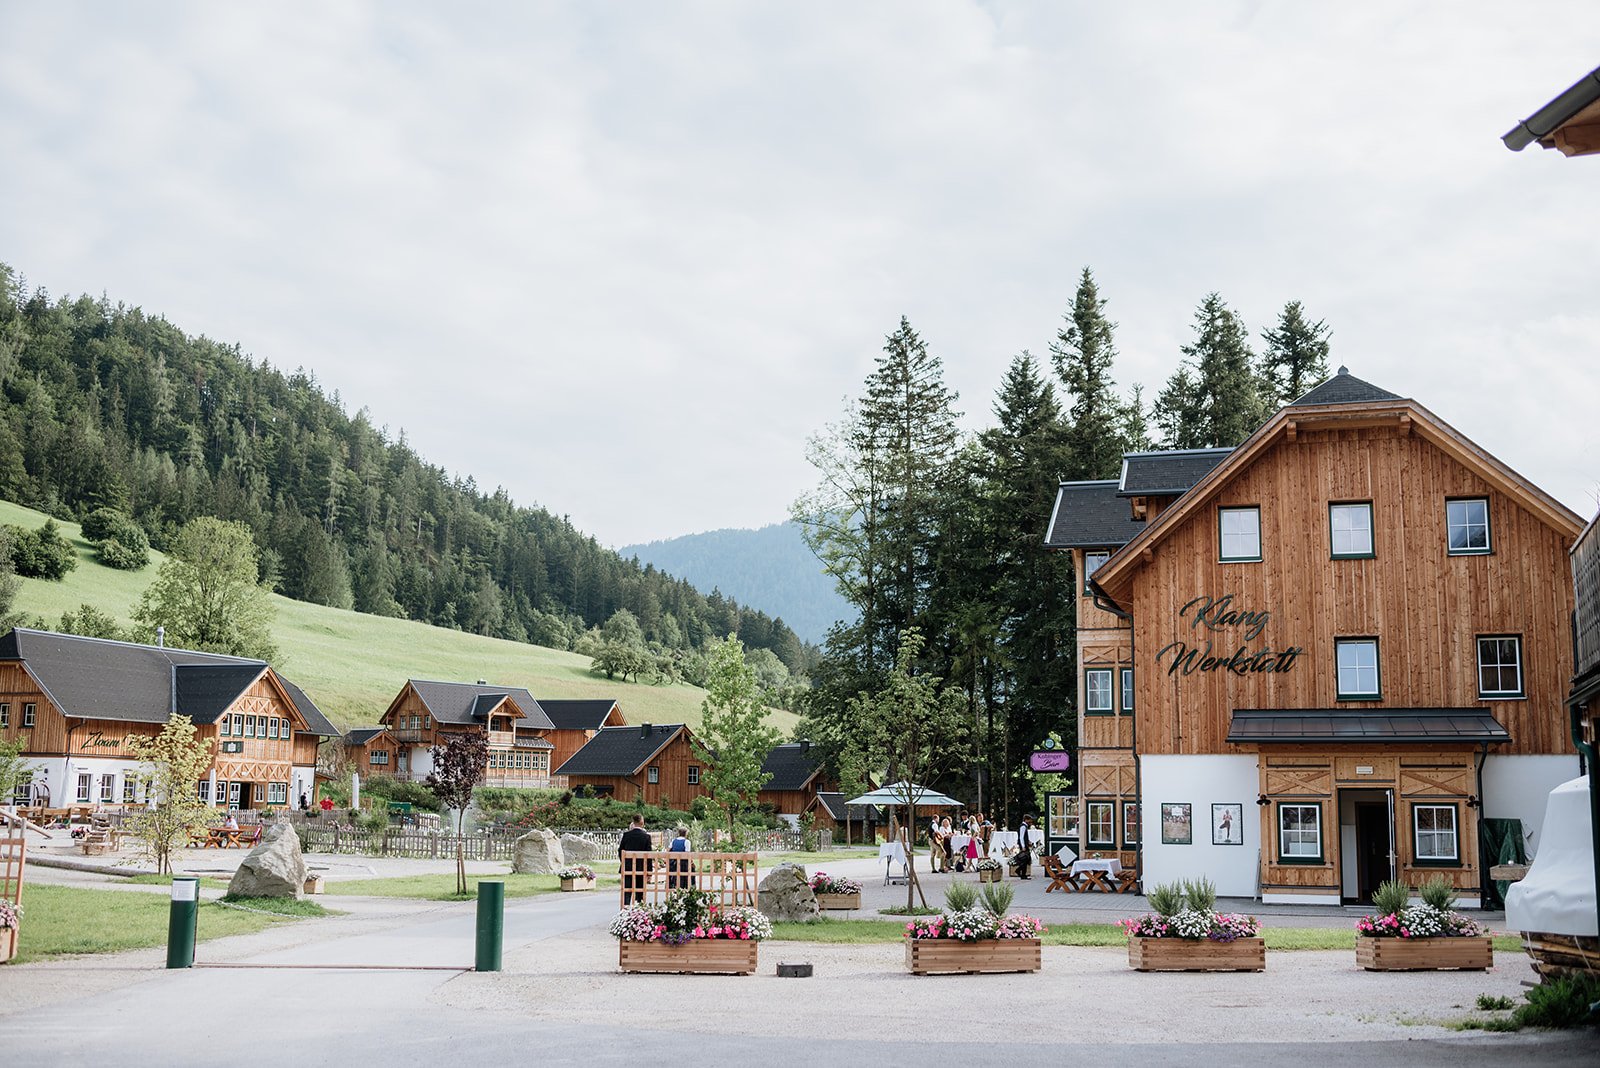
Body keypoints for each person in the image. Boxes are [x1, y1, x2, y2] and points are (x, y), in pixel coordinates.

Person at [619, 813, 654, 905]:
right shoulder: (646, 837)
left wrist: (623, 862)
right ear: (642, 822)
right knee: (640, 891)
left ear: (633, 822)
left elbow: (620, 850)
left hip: (628, 867)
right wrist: (649, 871)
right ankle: (639, 909)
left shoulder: (626, 835)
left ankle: (625, 909)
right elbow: (649, 855)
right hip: (641, 867)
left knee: (627, 890)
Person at [1012, 815, 1035, 880]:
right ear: (1026, 820)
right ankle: (1021, 872)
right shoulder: (1023, 827)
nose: (1030, 821)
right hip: (1024, 845)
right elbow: (1021, 837)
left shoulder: (1025, 826)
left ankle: (1021, 872)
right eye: (1029, 820)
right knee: (1025, 859)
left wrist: (1028, 841)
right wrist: (1023, 846)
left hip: (1025, 844)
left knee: (1026, 859)